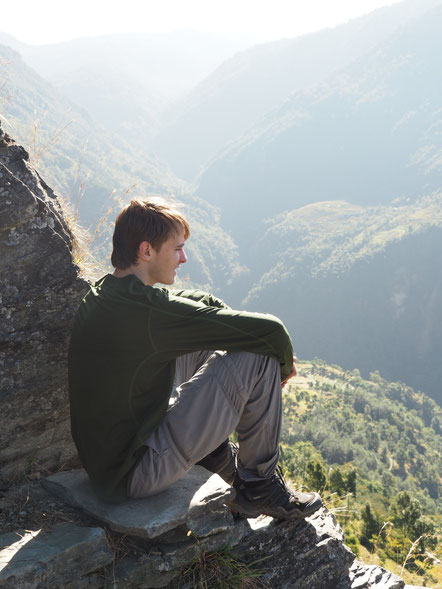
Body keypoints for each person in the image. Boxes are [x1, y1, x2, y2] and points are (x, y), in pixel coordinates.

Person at [68, 197, 322, 520]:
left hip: (109, 461)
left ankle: (213, 456)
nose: (184, 258)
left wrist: (219, 311)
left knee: (206, 341)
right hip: (135, 472)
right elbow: (272, 332)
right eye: (176, 249)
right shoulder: (148, 316)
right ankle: (259, 487)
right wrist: (283, 365)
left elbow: (192, 303)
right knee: (259, 357)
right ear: (146, 251)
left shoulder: (108, 293)